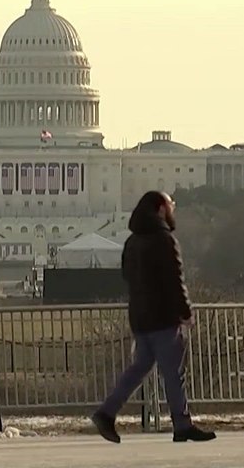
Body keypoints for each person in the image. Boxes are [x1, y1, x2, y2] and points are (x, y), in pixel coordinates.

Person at [91, 190, 216, 443]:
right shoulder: (164, 240)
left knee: (139, 368)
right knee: (172, 372)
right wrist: (185, 311)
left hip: (140, 315)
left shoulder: (132, 242)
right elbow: (174, 279)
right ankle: (181, 424)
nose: (173, 209)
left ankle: (107, 412)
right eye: (171, 205)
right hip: (163, 316)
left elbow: (128, 277)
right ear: (161, 208)